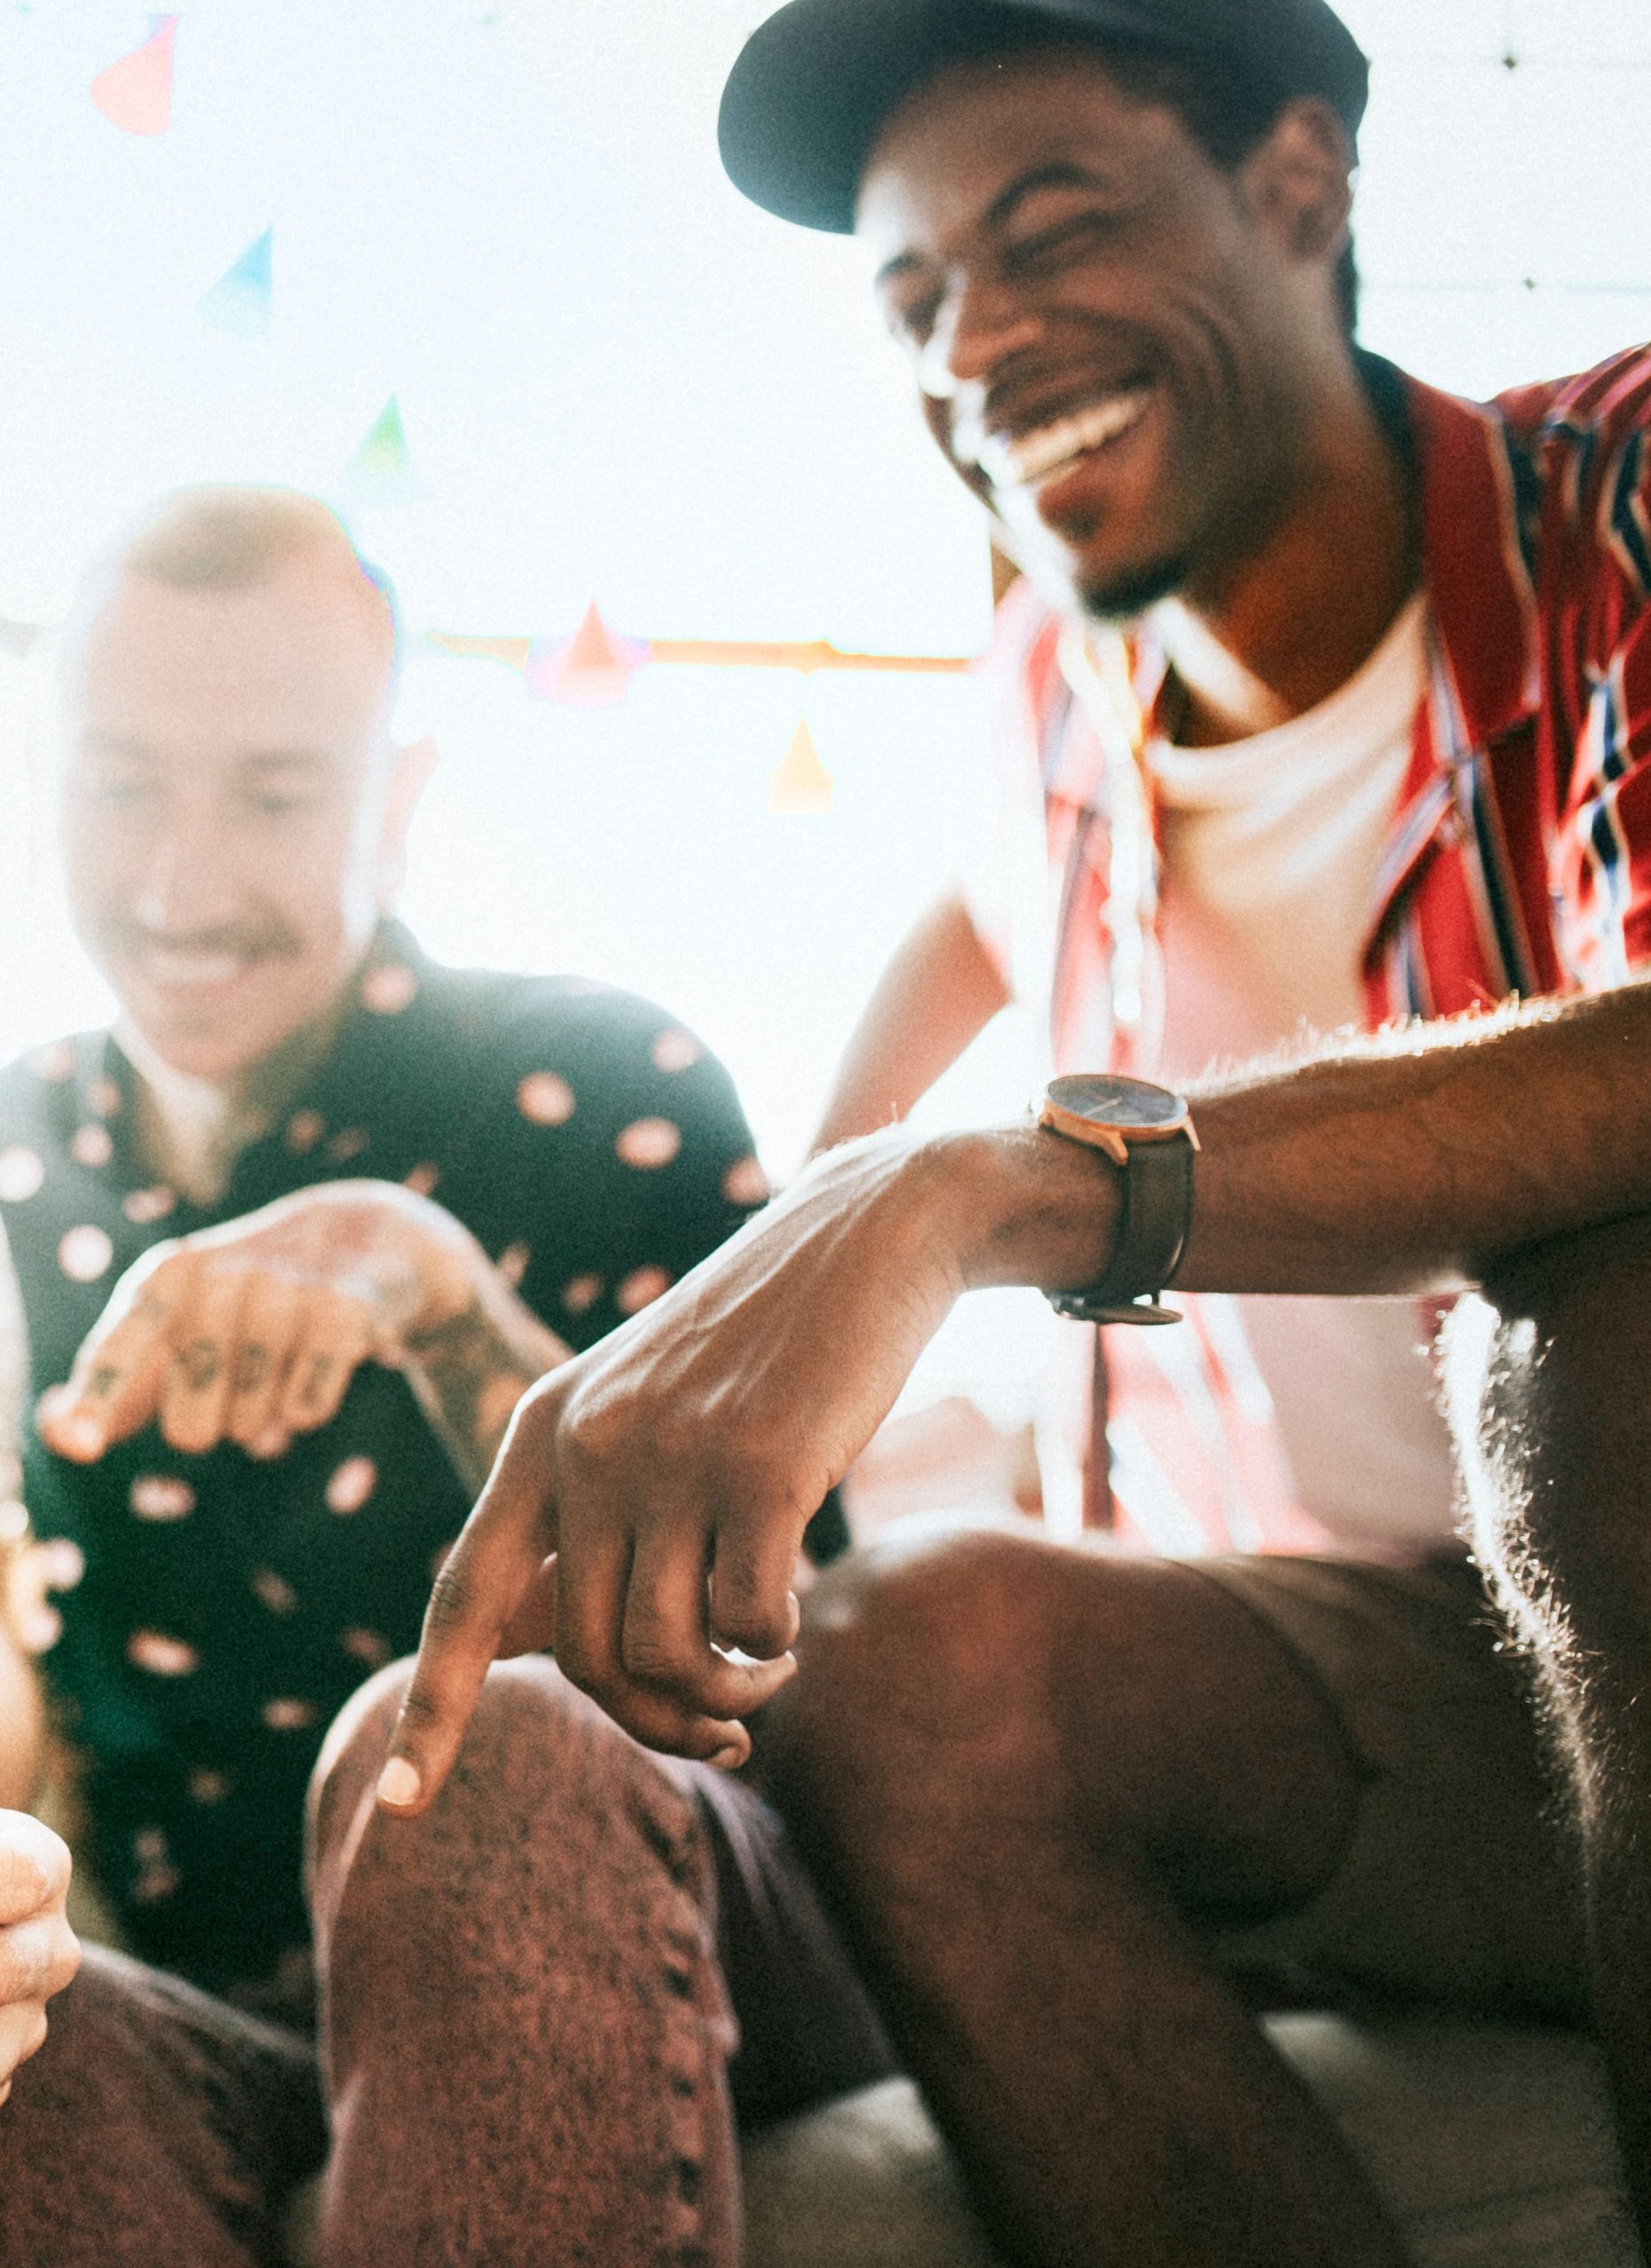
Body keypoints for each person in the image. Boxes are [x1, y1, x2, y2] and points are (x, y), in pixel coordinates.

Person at [368, 5, 1651, 2266]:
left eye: (1051, 231)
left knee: (1606, 1323)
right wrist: (811, 1213)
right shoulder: (1044, 710)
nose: (977, 337)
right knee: (901, 1659)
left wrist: (986, 1180)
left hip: (1614, 1558)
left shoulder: (1621, 494)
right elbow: (907, 1022)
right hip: (1354, 1696)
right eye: (912, 297)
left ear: (1295, 184)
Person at [0, 485, 882, 2264]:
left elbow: (786, 1661)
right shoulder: (15, 1156)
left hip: (664, 1897)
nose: (181, 883)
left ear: (393, 801)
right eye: (121, 781)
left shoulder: (604, 1078)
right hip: (226, 2007)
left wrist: (440, 1308)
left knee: (466, 1747)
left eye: (272, 792)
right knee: (33, 2044)